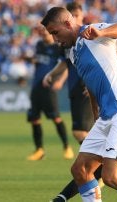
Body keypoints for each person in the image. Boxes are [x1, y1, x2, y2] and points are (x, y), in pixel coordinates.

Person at [41, 7, 117, 202]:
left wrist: (101, 32)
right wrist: (96, 116)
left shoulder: (93, 32)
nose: (55, 39)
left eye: (55, 32)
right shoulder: (73, 52)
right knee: (80, 170)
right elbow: (92, 85)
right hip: (106, 118)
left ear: (68, 24)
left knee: (112, 177)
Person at [43, 3, 102, 201]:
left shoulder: (90, 35)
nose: (54, 38)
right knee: (84, 159)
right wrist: (54, 76)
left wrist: (92, 81)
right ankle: (95, 169)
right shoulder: (70, 43)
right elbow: (65, 63)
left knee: (81, 135)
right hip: (77, 89)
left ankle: (97, 168)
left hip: (88, 91)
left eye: (78, 14)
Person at [26, 26, 74, 161]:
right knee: (34, 119)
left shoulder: (58, 47)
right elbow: (38, 61)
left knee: (56, 118)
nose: (42, 34)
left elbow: (65, 65)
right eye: (40, 32)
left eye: (45, 32)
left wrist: (60, 80)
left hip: (49, 86)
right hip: (36, 86)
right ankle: (39, 150)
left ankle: (67, 147)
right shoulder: (39, 45)